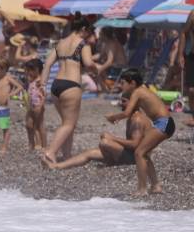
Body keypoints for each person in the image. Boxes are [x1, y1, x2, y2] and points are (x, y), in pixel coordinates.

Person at [105, 68, 175, 196]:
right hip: (164, 123)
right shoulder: (141, 89)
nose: (121, 85)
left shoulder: (137, 92)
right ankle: (155, 186)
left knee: (139, 153)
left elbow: (127, 112)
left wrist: (113, 117)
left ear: (132, 83)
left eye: (123, 82)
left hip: (164, 123)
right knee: (144, 153)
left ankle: (142, 189)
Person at [41, 17, 98, 164]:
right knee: (69, 124)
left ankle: (66, 155)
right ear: (83, 29)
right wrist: (96, 69)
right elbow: (88, 63)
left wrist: (42, 86)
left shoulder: (60, 43)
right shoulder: (83, 44)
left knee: (67, 122)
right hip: (71, 85)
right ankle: (50, 152)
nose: (89, 35)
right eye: (89, 31)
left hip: (56, 86)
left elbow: (47, 65)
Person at [47, 99, 146, 172]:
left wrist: (113, 138)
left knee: (105, 143)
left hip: (135, 159)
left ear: (132, 102)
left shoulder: (137, 120)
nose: (121, 104)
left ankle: (111, 163)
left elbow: (135, 144)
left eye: (124, 101)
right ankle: (57, 166)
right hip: (129, 154)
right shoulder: (132, 117)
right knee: (90, 153)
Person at [0, 58, 23, 154]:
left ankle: (4, 147)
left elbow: (20, 87)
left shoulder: (8, 78)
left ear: (4, 69)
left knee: (5, 129)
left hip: (3, 108)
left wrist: (11, 95)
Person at [22, 58, 48, 151]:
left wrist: (41, 105)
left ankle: (44, 146)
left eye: (30, 70)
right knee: (29, 125)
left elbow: (44, 94)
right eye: (28, 70)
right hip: (31, 106)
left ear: (37, 70)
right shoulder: (31, 80)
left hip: (38, 105)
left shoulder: (39, 81)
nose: (29, 73)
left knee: (40, 126)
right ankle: (32, 144)